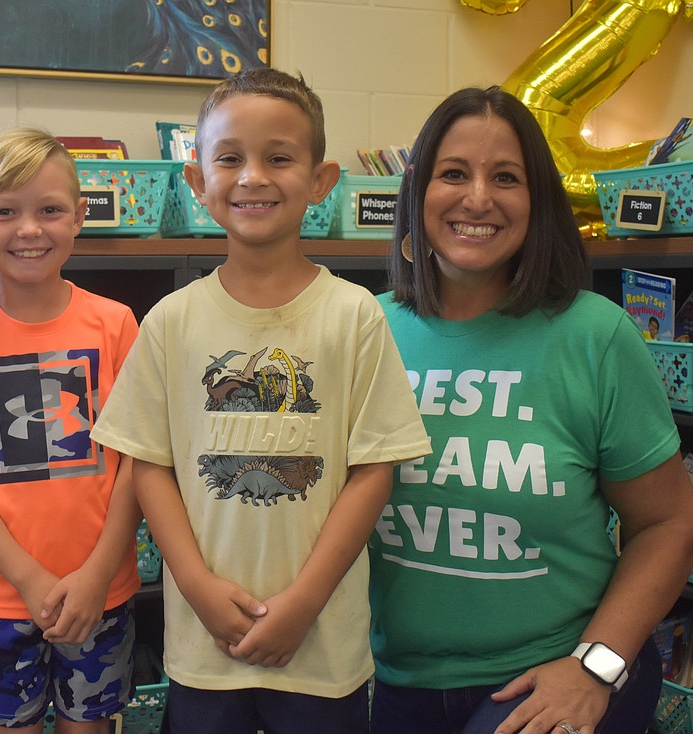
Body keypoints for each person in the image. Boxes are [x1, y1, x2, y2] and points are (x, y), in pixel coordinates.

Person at [89, 68, 432, 734]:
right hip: (203, 645)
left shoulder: (354, 316)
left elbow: (374, 470)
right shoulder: (171, 320)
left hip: (322, 643)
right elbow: (148, 465)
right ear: (197, 183)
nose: (252, 177)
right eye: (229, 159)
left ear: (320, 181)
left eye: (279, 158)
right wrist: (194, 584)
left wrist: (304, 602)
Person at [368, 86, 693, 734]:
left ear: (538, 199)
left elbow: (667, 524)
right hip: (396, 681)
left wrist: (594, 667)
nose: (477, 198)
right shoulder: (361, 331)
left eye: (506, 178)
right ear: (417, 189)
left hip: (558, 673)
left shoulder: (595, 337)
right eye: (454, 174)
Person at [0, 128, 142, 734]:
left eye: (49, 210)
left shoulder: (116, 324)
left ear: (79, 216)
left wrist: (98, 573)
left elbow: (138, 463)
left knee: (91, 727)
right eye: (5, 212)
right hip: (3, 594)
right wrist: (27, 576)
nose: (29, 230)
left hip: (102, 587)